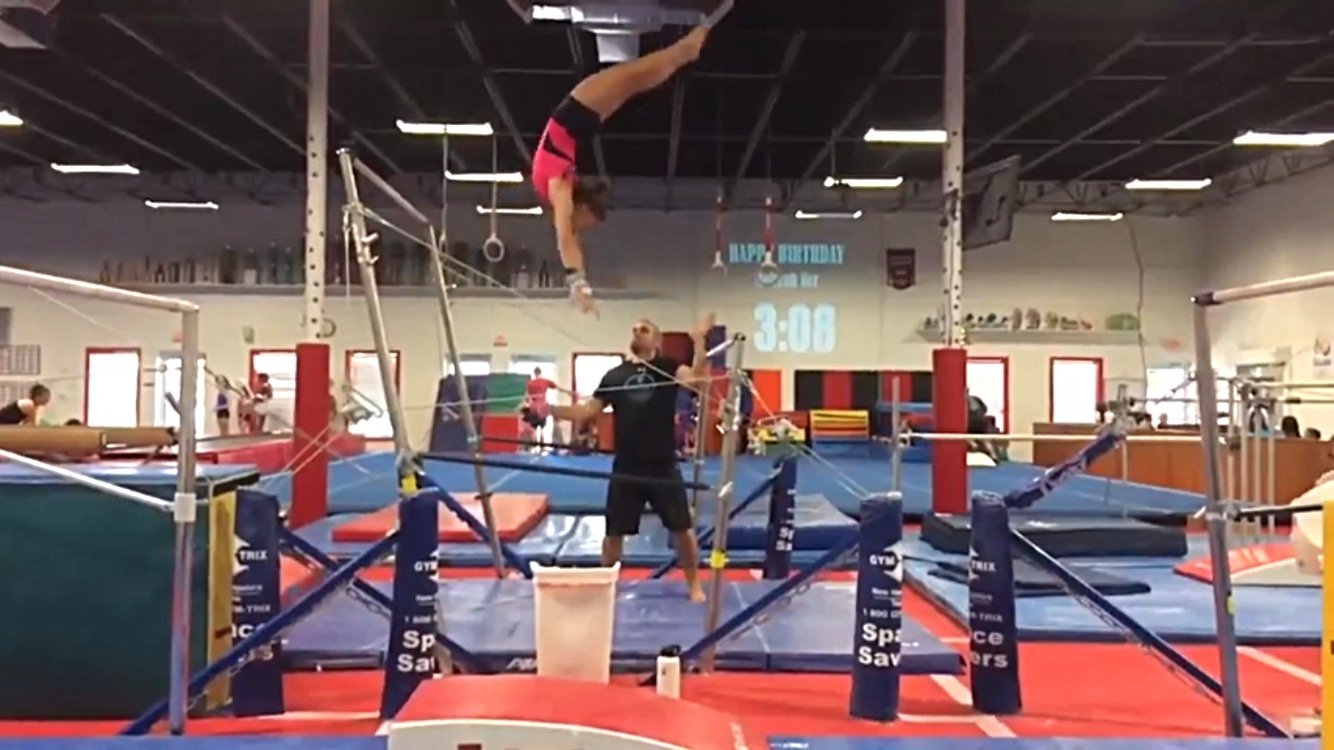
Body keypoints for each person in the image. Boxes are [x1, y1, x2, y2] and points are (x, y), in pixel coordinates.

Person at [533, 25, 715, 315]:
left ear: (580, 208)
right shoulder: (563, 188)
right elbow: (572, 237)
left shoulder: (559, 190)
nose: (579, 227)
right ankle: (693, 42)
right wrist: (581, 281)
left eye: (583, 223)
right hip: (581, 120)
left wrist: (577, 283)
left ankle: (696, 38)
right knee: (641, 78)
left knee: (642, 72)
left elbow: (565, 237)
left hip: (576, 110)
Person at [550, 314, 715, 601]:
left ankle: (694, 584)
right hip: (626, 465)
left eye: (644, 329)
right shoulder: (615, 375)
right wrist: (550, 411)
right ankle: (607, 586)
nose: (637, 332)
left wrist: (699, 341)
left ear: (657, 339)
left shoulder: (668, 367)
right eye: (635, 328)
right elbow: (588, 411)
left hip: (662, 465)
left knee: (682, 529)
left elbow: (699, 382)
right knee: (613, 533)